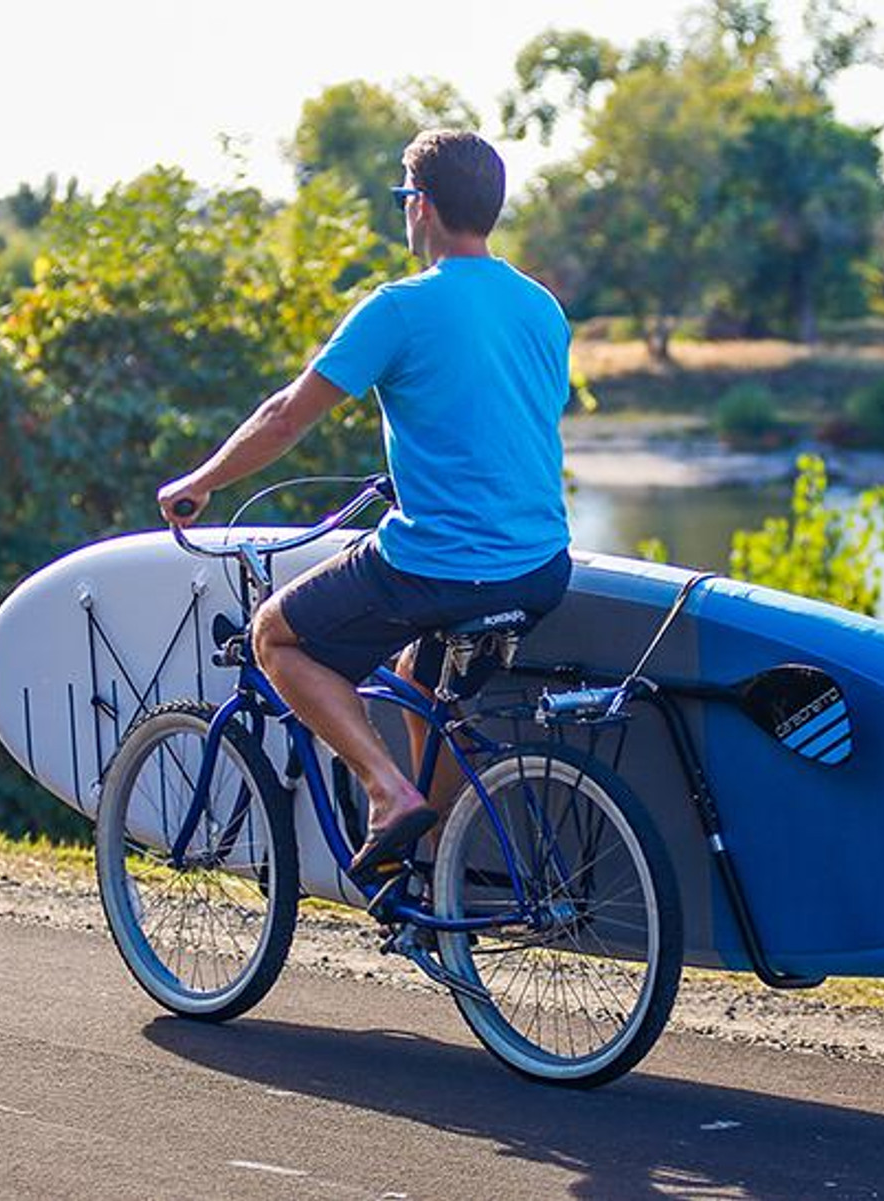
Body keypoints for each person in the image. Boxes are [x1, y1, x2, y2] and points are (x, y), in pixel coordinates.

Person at [157, 130, 572, 883]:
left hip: (441, 567)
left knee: (275, 637)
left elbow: (286, 416)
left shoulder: (400, 308)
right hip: (541, 566)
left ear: (420, 206)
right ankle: (435, 871)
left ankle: (388, 792)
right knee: (417, 679)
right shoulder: (542, 307)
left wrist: (202, 482)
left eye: (403, 199)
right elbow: (500, 420)